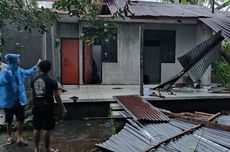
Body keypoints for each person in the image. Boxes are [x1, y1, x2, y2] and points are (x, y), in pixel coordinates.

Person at [0, 53, 40, 146]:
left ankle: (19, 137)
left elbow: (28, 72)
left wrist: (36, 66)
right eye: (18, 59)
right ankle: (9, 137)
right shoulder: (5, 72)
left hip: (20, 100)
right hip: (9, 101)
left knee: (20, 119)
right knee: (8, 120)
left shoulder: (20, 70)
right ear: (13, 61)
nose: (19, 60)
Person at [31, 60, 67, 152]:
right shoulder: (52, 81)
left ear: (39, 68)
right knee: (46, 128)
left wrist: (32, 104)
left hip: (36, 106)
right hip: (47, 107)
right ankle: (47, 149)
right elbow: (57, 96)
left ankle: (36, 148)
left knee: (37, 127)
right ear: (49, 69)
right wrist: (62, 108)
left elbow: (33, 94)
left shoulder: (34, 79)